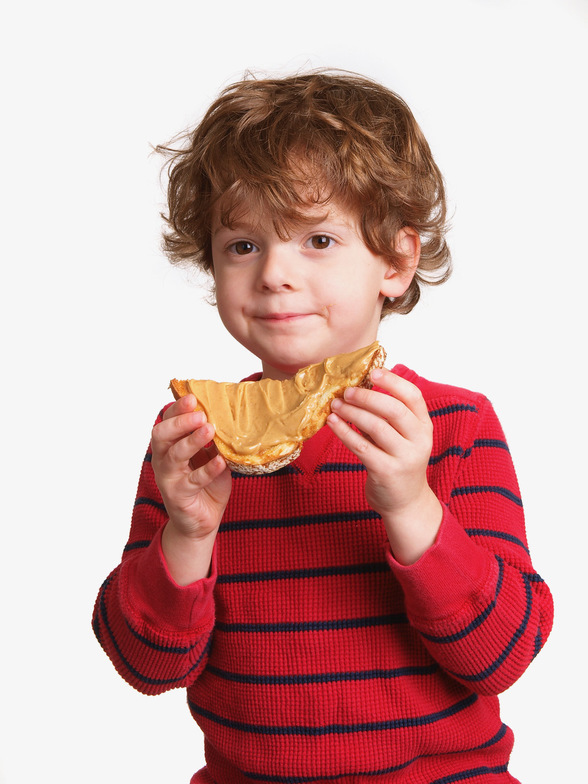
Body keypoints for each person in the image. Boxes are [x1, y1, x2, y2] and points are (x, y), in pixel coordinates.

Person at [93, 70, 553, 783]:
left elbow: (501, 655)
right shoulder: (193, 440)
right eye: (243, 245)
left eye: (317, 239)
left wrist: (412, 505)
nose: (275, 273)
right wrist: (186, 535)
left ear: (396, 262)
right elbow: (146, 667)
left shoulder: (455, 427)